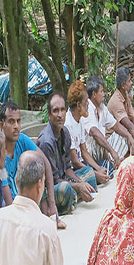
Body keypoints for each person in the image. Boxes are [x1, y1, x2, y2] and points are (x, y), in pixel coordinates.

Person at [0, 100, 60, 227]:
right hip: (13, 210)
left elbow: (45, 163)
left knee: (64, 190)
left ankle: (50, 211)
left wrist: (52, 205)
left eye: (18, 121)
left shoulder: (22, 140)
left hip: (31, 201)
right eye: (11, 121)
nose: (16, 126)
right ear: (1, 125)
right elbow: (9, 202)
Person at [37, 91, 97, 219]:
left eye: (62, 110)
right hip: (51, 189)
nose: (60, 115)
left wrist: (80, 182)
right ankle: (71, 198)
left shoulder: (65, 132)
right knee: (66, 189)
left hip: (64, 179)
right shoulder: (46, 141)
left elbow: (68, 167)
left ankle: (74, 197)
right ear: (49, 114)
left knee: (89, 174)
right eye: (55, 111)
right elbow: (51, 180)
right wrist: (77, 186)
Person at [65, 81, 112, 184]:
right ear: (78, 105)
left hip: (83, 163)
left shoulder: (80, 119)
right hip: (73, 169)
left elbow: (84, 152)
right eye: (86, 101)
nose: (88, 104)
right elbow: (75, 161)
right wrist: (95, 173)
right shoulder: (68, 125)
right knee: (93, 178)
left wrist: (98, 168)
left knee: (107, 169)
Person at [84, 76, 134, 169]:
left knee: (123, 135)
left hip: (101, 149)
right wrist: (112, 151)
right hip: (89, 152)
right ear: (94, 94)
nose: (103, 94)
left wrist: (129, 136)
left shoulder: (101, 107)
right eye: (101, 91)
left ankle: (114, 162)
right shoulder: (87, 107)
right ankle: (111, 162)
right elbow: (95, 133)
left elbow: (115, 125)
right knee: (99, 138)